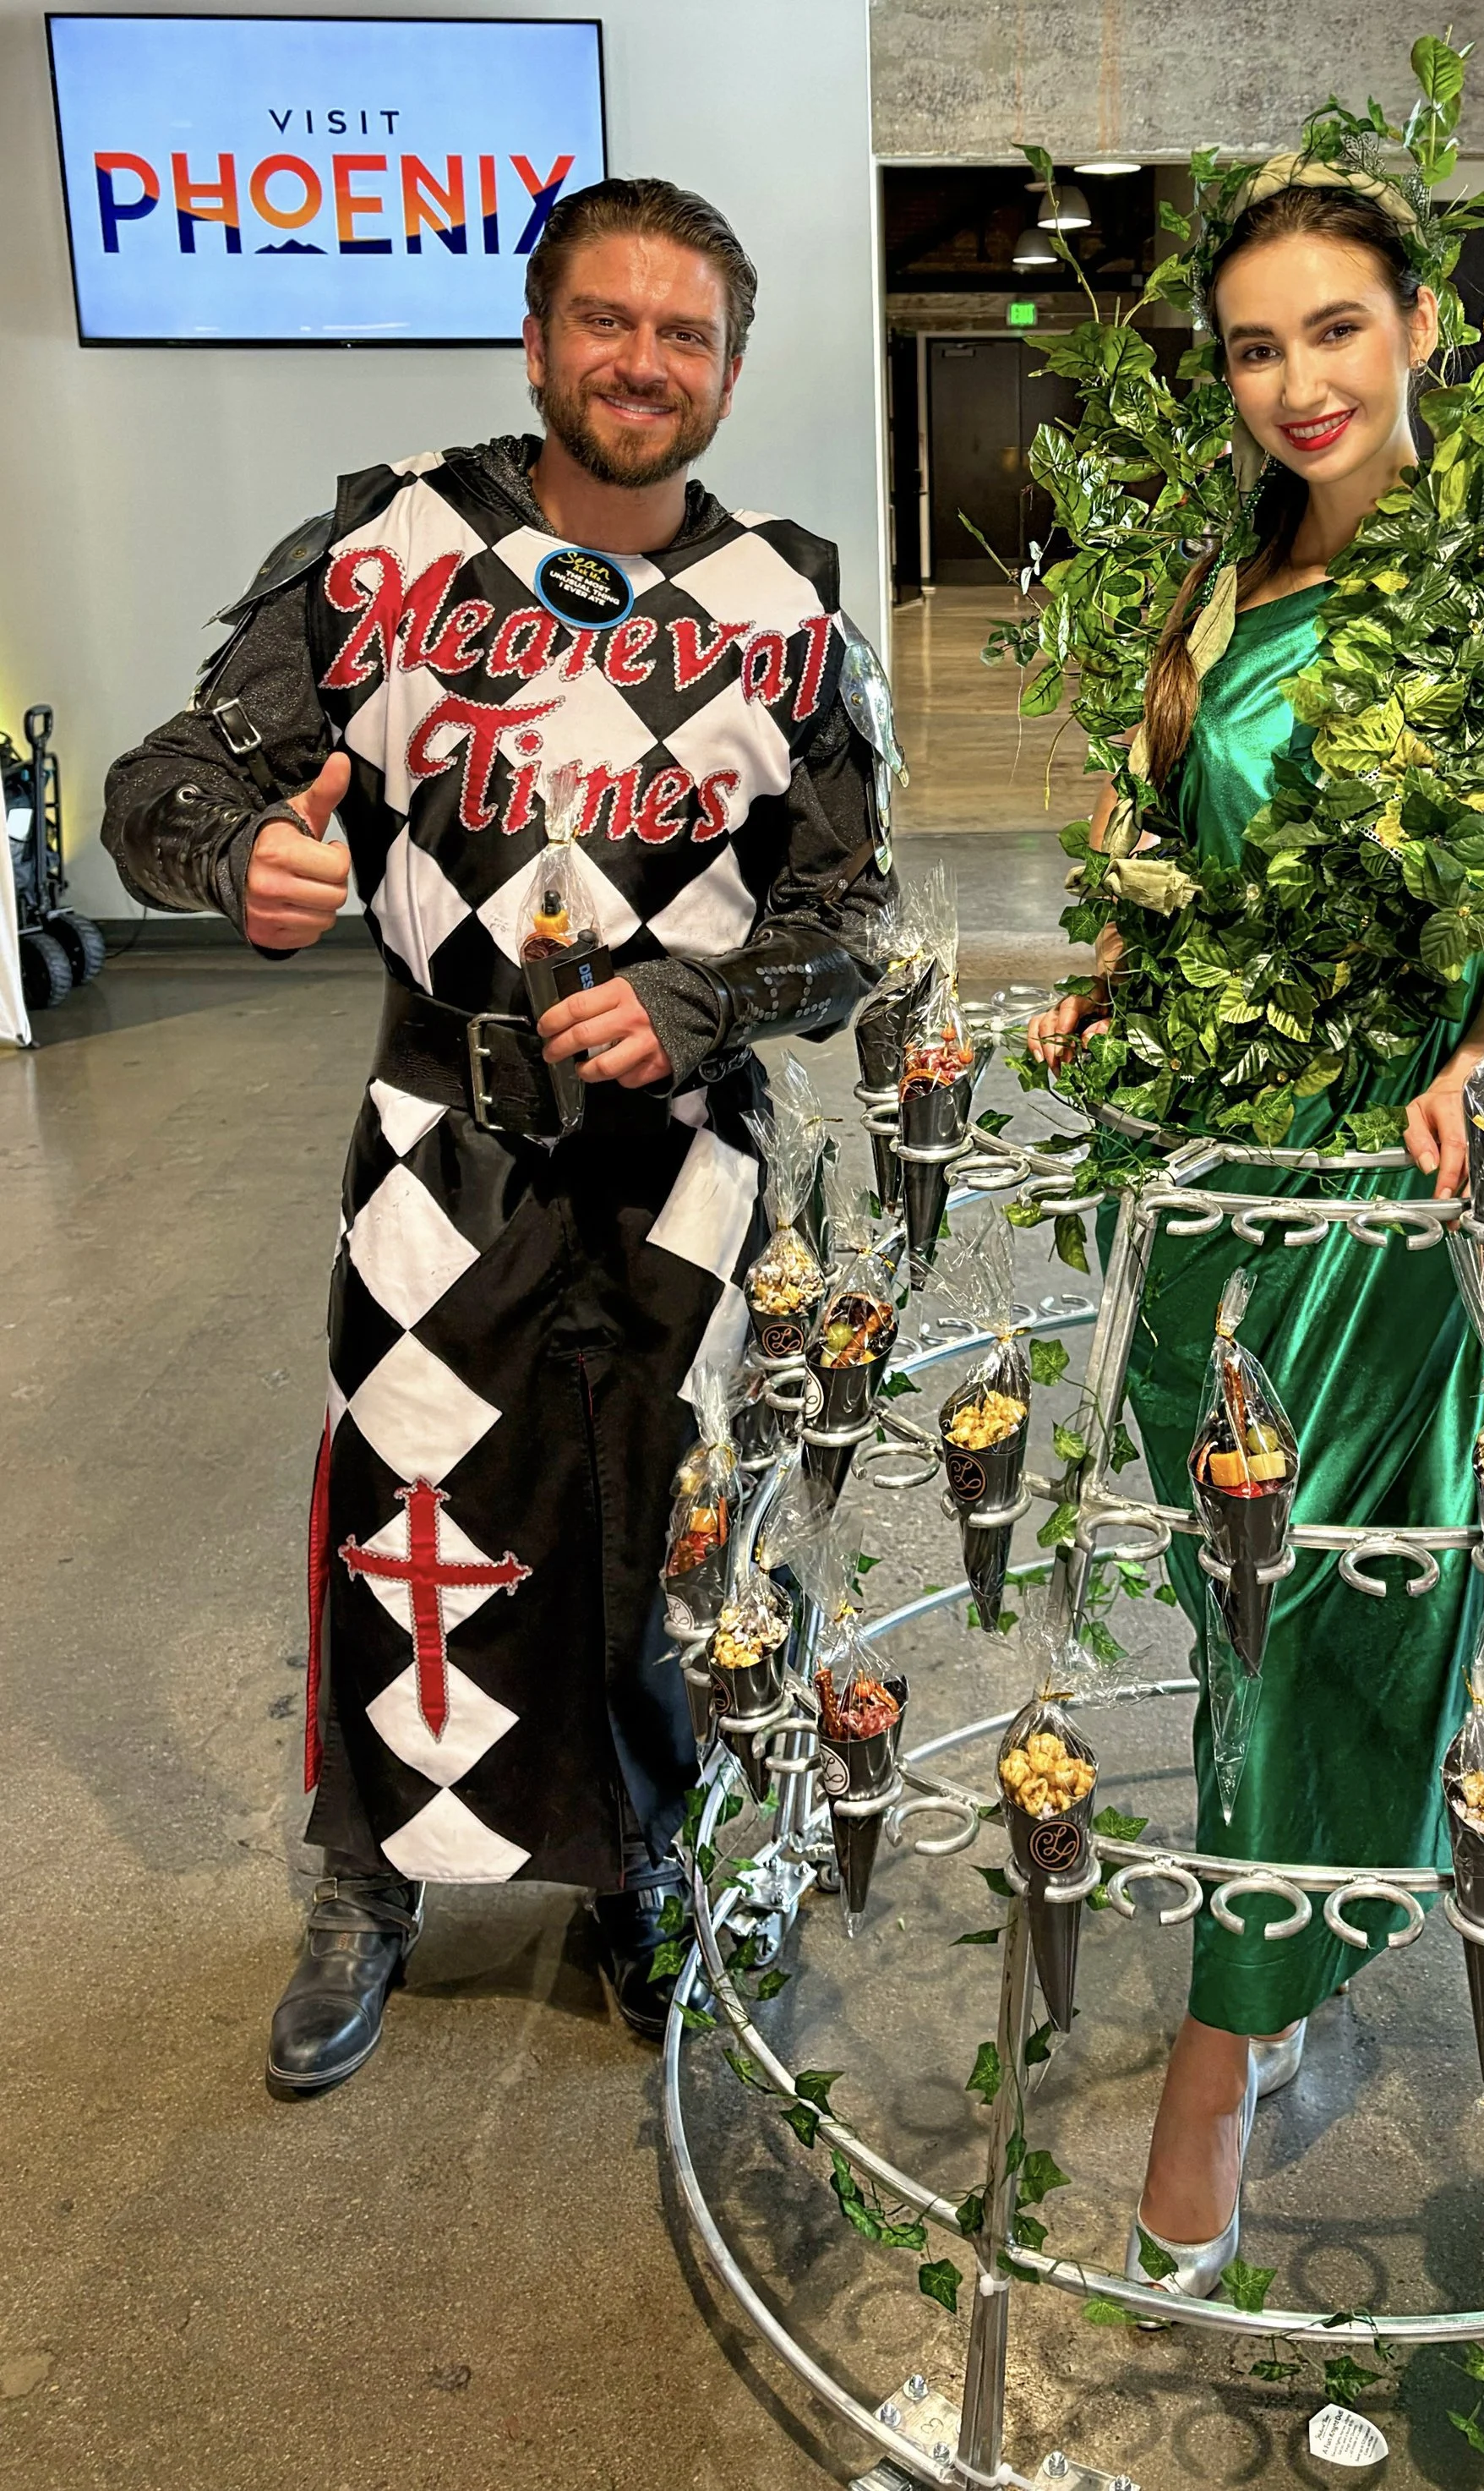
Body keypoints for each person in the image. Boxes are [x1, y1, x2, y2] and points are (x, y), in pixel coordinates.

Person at [103, 178, 896, 2096]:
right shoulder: (389, 550)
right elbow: (164, 781)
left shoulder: (786, 603)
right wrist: (239, 859)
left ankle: (638, 1864)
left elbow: (855, 919)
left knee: (665, 1517)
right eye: (606, 323)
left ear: (728, 366)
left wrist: (712, 1002)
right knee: (411, 1502)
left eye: (683, 334)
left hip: (688, 1158)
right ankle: (369, 1876)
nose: (642, 362)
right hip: (435, 1147)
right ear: (537, 339)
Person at [1028, 164, 1484, 2295]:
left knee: (1339, 1599)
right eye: (1258, 346)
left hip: (1383, 1170)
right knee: (1230, 1596)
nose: (1296, 382)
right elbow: (1152, 841)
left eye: (1335, 329)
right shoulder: (1215, 589)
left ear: (1420, 330)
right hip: (1202, 1181)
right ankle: (1288, 1961)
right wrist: (1110, 960)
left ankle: (1211, 2058)